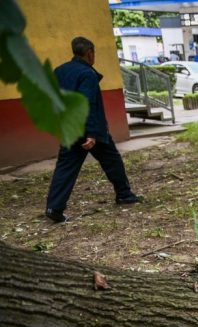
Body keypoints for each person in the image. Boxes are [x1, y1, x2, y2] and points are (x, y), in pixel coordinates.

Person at [45, 37, 141, 223]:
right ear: (89, 52)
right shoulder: (87, 74)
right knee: (112, 160)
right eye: (94, 53)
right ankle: (124, 194)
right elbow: (87, 103)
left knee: (65, 168)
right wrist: (91, 133)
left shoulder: (59, 71)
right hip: (90, 129)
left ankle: (53, 207)